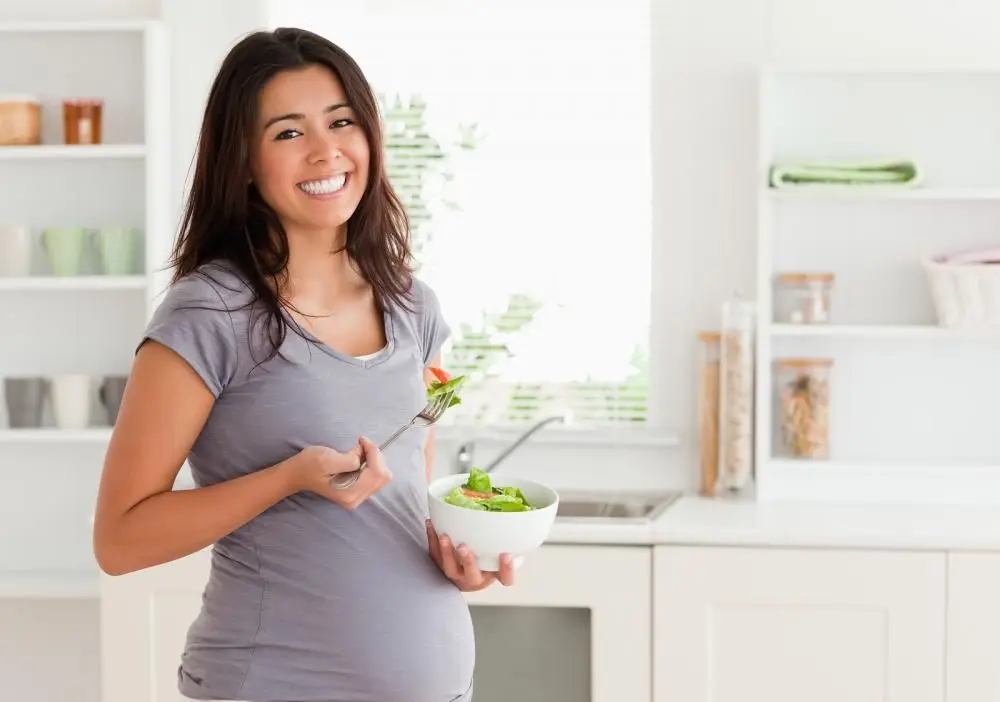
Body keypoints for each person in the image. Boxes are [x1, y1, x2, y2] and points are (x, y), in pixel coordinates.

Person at [91, 26, 514, 702]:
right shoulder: (210, 315)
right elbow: (119, 541)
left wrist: (456, 557)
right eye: (288, 133)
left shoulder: (414, 309)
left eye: (341, 121)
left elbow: (407, 492)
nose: (326, 150)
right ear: (244, 163)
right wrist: (288, 478)